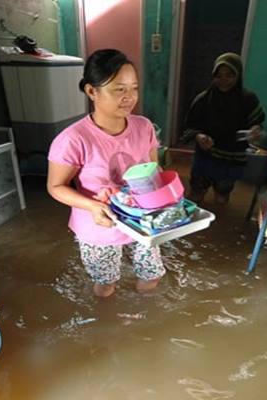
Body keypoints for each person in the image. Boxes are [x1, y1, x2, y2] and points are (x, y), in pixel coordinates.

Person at [47, 49, 165, 298]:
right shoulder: (73, 139)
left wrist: (169, 197)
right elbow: (55, 187)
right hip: (100, 224)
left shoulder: (143, 127)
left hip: (142, 220)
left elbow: (155, 170)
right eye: (119, 89)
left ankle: (145, 325)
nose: (129, 97)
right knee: (106, 284)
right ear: (92, 91)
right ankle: (108, 326)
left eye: (133, 88)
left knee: (151, 275)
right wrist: (92, 206)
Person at [183, 52, 265, 204]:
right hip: (207, 153)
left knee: (222, 196)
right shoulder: (203, 99)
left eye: (229, 75)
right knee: (196, 193)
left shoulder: (248, 99)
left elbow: (257, 121)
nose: (223, 81)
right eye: (218, 76)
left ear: (238, 75)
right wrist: (198, 136)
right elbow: (190, 125)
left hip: (232, 155)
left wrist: (255, 130)